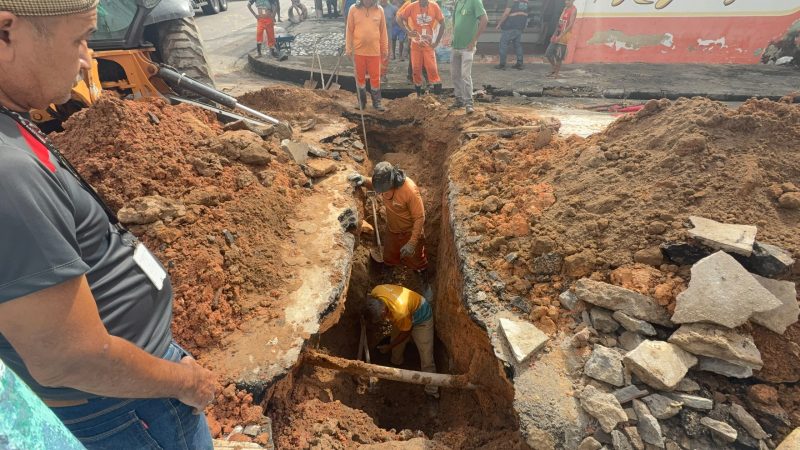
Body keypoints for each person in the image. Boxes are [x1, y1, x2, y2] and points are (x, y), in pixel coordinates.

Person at [0, 1, 216, 449]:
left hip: (130, 394)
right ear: (6, 31)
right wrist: (183, 382)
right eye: (78, 38)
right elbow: (68, 358)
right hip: (126, 410)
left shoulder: (15, 127)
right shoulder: (8, 175)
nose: (86, 58)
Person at [348, 162, 428, 274]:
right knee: (389, 257)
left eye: (384, 190)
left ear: (392, 181)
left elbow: (419, 217)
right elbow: (374, 183)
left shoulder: (409, 190)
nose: (382, 193)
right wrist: (364, 180)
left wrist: (412, 243)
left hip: (409, 232)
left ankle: (421, 274)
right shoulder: (382, 183)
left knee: (415, 260)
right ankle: (389, 273)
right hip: (392, 230)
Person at [366, 284, 438, 398]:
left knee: (426, 356)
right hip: (403, 311)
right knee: (395, 342)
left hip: (422, 319)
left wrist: (389, 346)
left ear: (384, 310)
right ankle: (395, 364)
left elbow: (406, 333)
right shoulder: (376, 291)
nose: (382, 320)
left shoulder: (400, 313)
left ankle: (432, 391)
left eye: (381, 317)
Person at [346, 0, 390, 111]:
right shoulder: (353, 9)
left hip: (375, 51)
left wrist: (384, 49)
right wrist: (348, 48)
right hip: (358, 51)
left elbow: (383, 31)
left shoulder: (379, 10)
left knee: (375, 78)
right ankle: (362, 102)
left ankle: (377, 103)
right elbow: (349, 30)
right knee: (360, 78)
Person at [397, 0, 445, 96]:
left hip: (428, 44)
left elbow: (442, 23)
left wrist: (437, 42)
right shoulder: (412, 6)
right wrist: (408, 32)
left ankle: (437, 96)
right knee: (416, 68)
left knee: (432, 68)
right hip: (416, 44)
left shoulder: (434, 6)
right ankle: (418, 94)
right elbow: (399, 18)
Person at [450, 0, 488, 114]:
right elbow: (455, 22)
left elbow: (484, 19)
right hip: (455, 46)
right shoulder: (458, 3)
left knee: (465, 75)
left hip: (468, 47)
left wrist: (474, 40)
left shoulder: (475, 1)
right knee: (455, 75)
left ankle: (469, 103)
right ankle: (459, 99)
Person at [545, 0, 576, 78]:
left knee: (559, 56)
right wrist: (554, 34)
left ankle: (556, 74)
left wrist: (561, 35)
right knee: (548, 53)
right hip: (558, 33)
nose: (566, 2)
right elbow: (560, 22)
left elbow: (570, 25)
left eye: (568, 0)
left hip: (565, 35)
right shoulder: (565, 9)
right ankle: (554, 68)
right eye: (566, 0)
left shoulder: (574, 10)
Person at [494, 0, 528, 70]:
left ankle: (502, 64)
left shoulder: (512, 1)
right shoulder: (525, 2)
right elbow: (525, 14)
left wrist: (499, 24)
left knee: (503, 45)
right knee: (517, 45)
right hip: (520, 27)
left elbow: (506, 14)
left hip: (510, 26)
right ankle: (519, 63)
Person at [381, 0, 398, 82]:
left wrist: (391, 23)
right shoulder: (374, 7)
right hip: (375, 37)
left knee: (385, 56)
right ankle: (375, 74)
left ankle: (383, 75)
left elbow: (398, 17)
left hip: (387, 37)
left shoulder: (393, 8)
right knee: (375, 56)